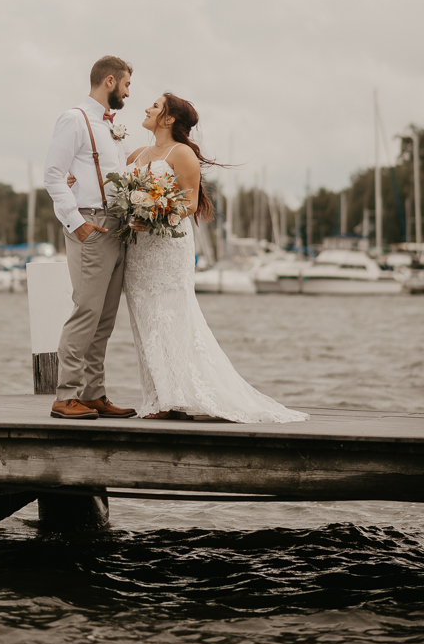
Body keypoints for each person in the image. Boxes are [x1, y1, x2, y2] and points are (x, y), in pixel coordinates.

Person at [125, 93, 307, 422]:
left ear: (168, 119)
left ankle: (174, 399)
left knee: (172, 317)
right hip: (139, 252)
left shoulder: (181, 154)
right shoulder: (136, 154)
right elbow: (115, 188)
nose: (147, 108)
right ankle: (158, 396)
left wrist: (153, 215)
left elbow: (189, 204)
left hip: (168, 248)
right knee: (145, 321)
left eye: (154, 105)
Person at [43, 55, 137, 420]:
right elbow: (53, 174)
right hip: (91, 224)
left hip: (118, 226)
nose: (128, 93)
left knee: (105, 318)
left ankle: (94, 393)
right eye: (127, 85)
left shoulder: (112, 126)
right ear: (110, 81)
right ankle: (65, 395)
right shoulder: (74, 119)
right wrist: (74, 221)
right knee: (86, 312)